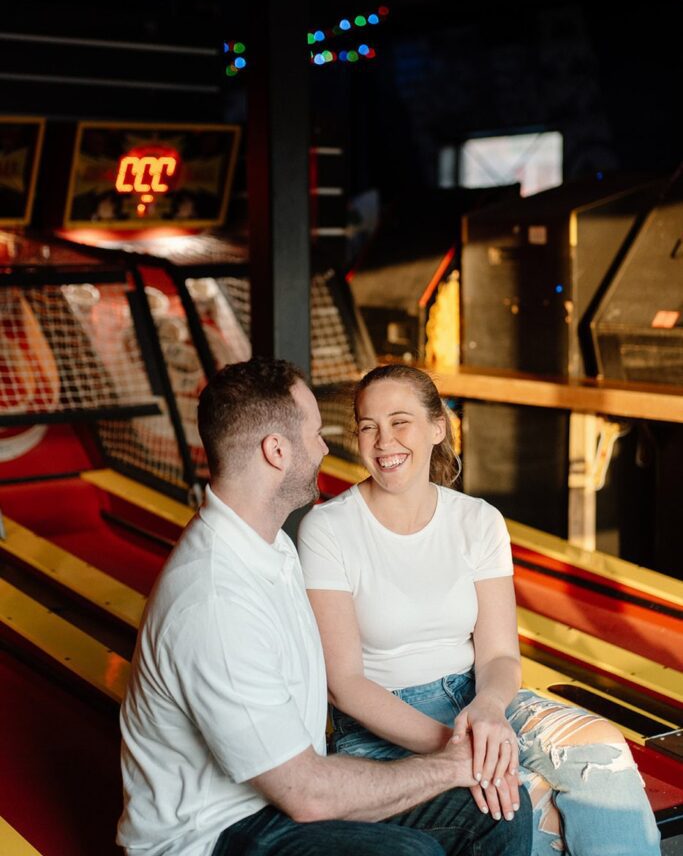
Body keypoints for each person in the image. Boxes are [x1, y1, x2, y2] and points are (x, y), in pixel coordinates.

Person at [117, 356, 531, 856]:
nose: (325, 447)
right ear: (276, 451)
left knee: (494, 811)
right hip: (214, 835)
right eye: (316, 433)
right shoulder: (214, 603)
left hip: (278, 797)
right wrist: (457, 761)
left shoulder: (269, 545)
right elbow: (308, 794)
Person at [298, 363, 662, 856]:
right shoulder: (329, 529)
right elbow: (344, 684)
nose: (384, 441)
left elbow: (497, 656)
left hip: (476, 699)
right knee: (528, 805)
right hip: (383, 724)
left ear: (437, 427)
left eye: (400, 421)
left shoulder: (478, 520)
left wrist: (487, 710)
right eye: (368, 426)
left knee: (602, 750)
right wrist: (460, 747)